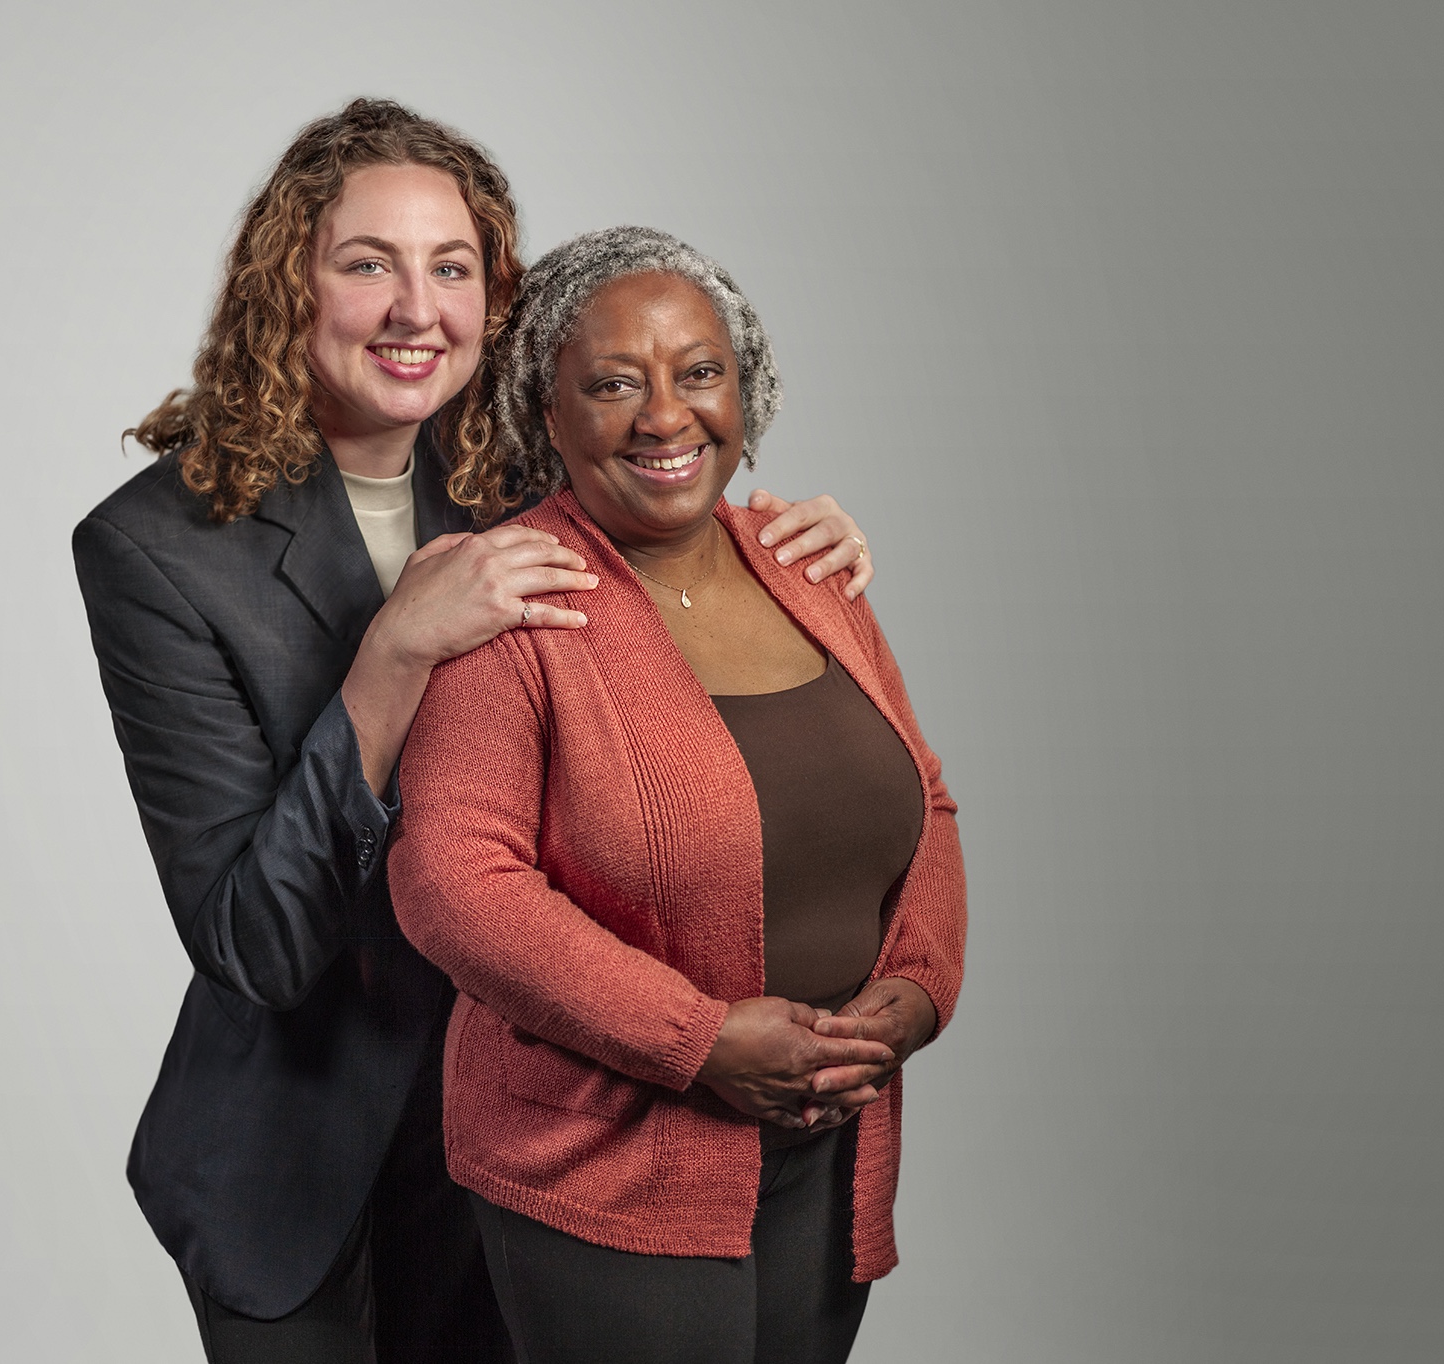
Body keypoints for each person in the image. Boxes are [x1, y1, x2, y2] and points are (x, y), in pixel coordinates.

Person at [72, 103, 878, 1361]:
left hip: (539, 1125)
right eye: (367, 264)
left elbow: (680, 567)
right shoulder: (156, 549)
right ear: (288, 284)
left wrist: (779, 559)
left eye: (451, 268)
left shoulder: (529, 472)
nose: (416, 310)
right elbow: (254, 940)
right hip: (299, 1163)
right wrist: (391, 654)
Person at [388, 226, 967, 1364]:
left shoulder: (809, 570)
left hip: (828, 1140)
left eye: (699, 372)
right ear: (545, 412)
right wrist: (699, 1040)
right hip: (607, 1162)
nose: (666, 416)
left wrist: (912, 994)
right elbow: (454, 885)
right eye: (613, 384)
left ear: (743, 392)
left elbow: (925, 800)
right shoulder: (510, 595)